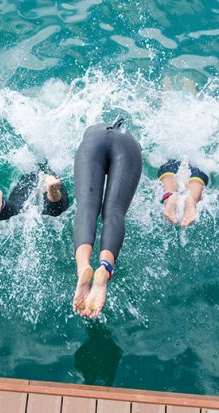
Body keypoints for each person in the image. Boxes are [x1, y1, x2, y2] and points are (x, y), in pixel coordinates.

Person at [72, 119, 142, 318]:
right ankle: (105, 267)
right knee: (115, 211)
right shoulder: (130, 135)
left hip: (92, 144)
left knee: (86, 207)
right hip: (128, 149)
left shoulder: (92, 130)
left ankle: (84, 265)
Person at [0, 163, 69, 220]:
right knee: (54, 211)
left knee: (16, 209)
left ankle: (3, 204)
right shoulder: (51, 164)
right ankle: (52, 192)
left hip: (29, 179)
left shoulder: (29, 168)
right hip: (48, 175)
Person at [157, 160, 208, 227]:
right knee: (197, 181)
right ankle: (191, 200)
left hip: (169, 163)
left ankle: (169, 197)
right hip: (198, 165)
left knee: (168, 178)